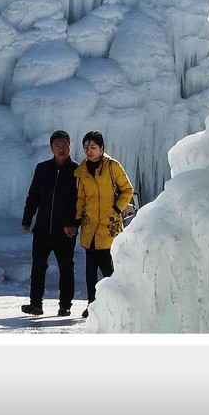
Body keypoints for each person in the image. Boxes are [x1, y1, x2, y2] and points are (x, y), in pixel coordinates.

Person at [74, 130, 134, 318]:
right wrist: (76, 220)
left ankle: (114, 304)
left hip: (109, 226)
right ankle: (92, 305)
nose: (89, 151)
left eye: (92, 147)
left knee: (108, 268)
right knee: (90, 270)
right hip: (90, 227)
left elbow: (127, 189)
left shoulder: (112, 166)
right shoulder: (82, 170)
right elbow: (81, 198)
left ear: (101, 148)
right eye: (86, 147)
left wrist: (116, 209)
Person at [20, 130, 79, 316]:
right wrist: (28, 217)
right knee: (38, 266)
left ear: (70, 146)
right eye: (57, 145)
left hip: (65, 230)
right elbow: (34, 195)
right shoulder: (42, 168)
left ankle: (65, 305)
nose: (61, 149)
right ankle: (36, 304)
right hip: (43, 228)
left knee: (66, 268)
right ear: (51, 148)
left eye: (64, 145)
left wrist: (73, 224)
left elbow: (80, 201)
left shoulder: (78, 171)